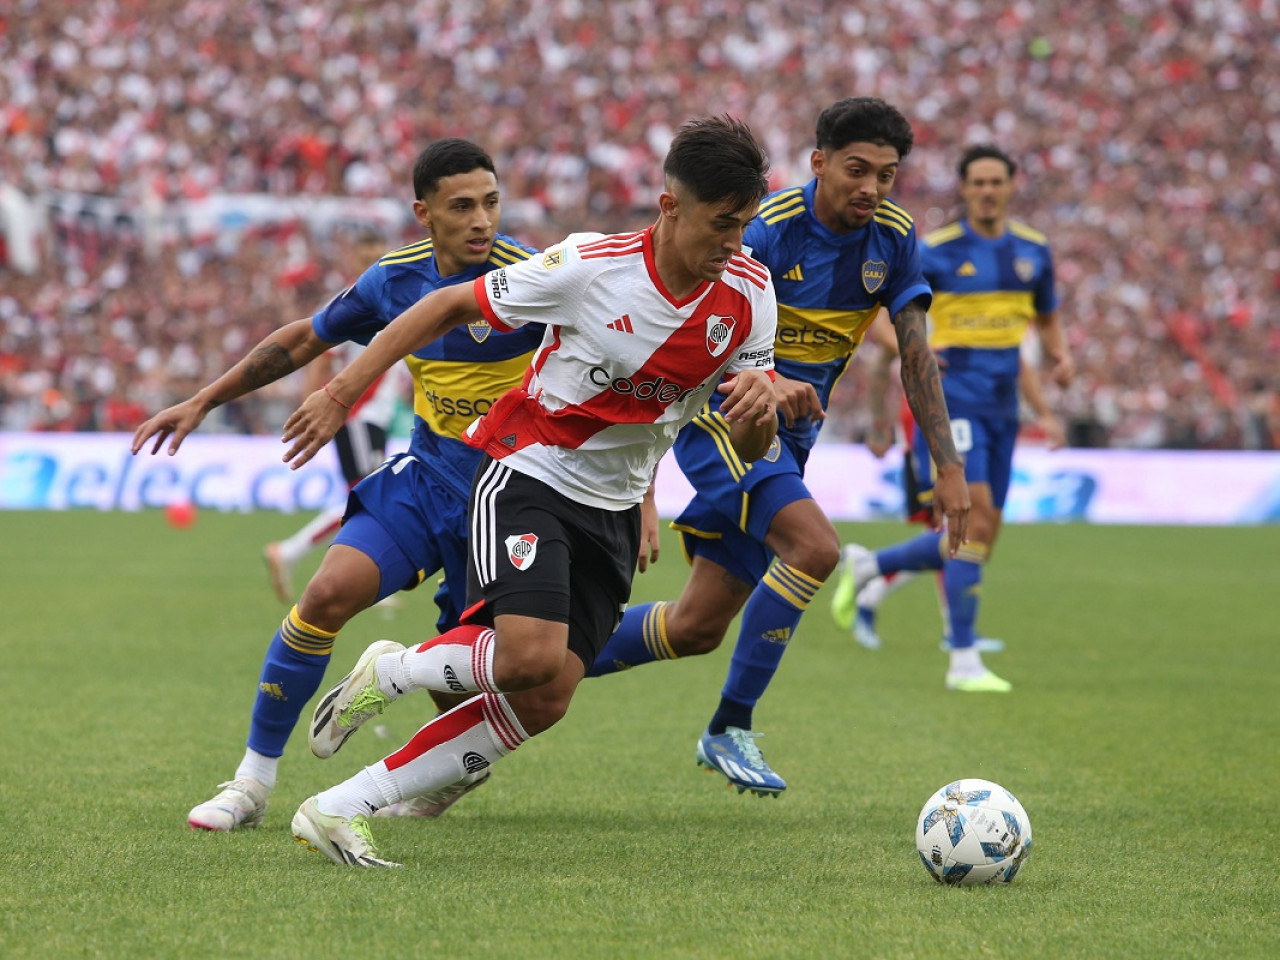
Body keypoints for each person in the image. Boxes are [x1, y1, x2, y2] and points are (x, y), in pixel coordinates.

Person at [282, 115, 780, 867]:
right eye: (720, 224)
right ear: (670, 206)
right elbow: (448, 304)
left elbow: (752, 445)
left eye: (744, 225)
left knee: (544, 699)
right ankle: (393, 672)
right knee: (524, 657)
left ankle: (338, 806)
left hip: (613, 509)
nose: (733, 243)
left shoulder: (750, 292)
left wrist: (758, 411)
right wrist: (348, 387)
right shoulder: (589, 266)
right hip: (528, 474)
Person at [131, 139, 546, 831]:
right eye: (463, 206)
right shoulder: (395, 279)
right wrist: (203, 400)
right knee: (326, 593)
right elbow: (303, 340)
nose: (482, 220)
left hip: (514, 499)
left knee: (522, 681)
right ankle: (251, 784)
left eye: (492, 203)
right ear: (424, 213)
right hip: (430, 479)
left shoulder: (533, 277)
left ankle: (449, 767)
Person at [583, 97, 970, 797]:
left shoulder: (895, 237)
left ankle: (526, 660)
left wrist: (948, 467)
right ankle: (731, 726)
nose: (871, 189)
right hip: (720, 419)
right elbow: (689, 325)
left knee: (697, 624)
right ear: (819, 163)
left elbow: (917, 357)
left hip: (789, 442)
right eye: (856, 170)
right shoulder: (768, 230)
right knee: (815, 548)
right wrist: (763, 382)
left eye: (887, 175)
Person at [831, 143, 1075, 692]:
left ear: (1011, 186)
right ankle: (962, 660)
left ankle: (872, 566)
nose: (988, 191)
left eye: (996, 181)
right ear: (964, 190)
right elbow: (872, 314)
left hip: (1001, 407)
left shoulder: (1033, 252)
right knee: (974, 515)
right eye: (978, 182)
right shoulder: (936, 252)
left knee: (984, 528)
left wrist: (1060, 356)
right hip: (950, 400)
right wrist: (912, 348)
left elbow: (1046, 319)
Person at [262, 229, 411, 607]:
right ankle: (296, 552)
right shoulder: (351, 303)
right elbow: (322, 358)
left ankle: (365, 576)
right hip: (355, 415)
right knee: (366, 498)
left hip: (375, 416)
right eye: (367, 249)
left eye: (379, 248)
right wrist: (311, 410)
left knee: (366, 497)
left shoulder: (395, 300)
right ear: (355, 255)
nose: (374, 254)